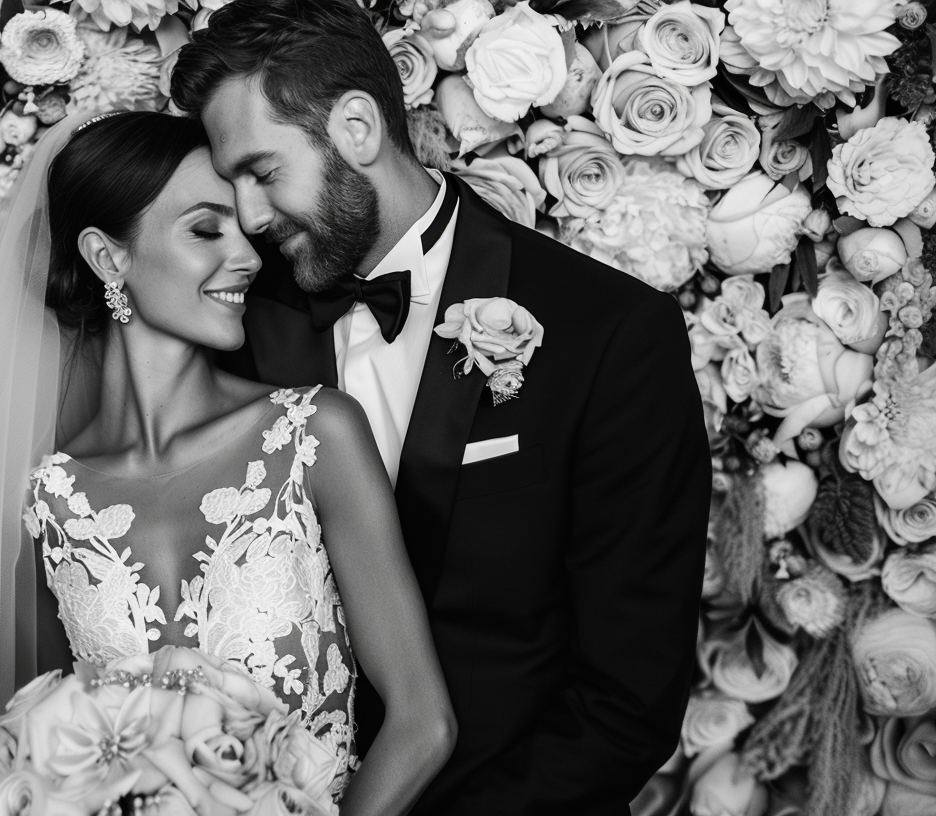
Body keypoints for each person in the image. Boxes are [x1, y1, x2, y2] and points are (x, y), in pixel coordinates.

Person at [169, 1, 712, 814]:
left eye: (263, 171)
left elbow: (625, 704)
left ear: (356, 127)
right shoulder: (240, 321)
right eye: (233, 182)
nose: (248, 217)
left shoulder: (609, 336)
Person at [0, 109, 454, 816]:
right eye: (206, 229)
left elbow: (425, 723)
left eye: (245, 227)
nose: (245, 255)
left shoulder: (314, 434)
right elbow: (42, 752)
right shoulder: (50, 501)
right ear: (107, 257)